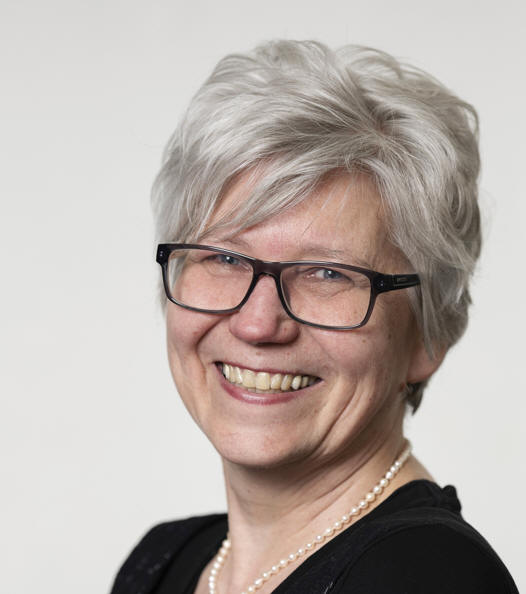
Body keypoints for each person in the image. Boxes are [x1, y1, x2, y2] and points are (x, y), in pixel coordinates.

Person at [110, 40, 518, 593]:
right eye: (225, 258)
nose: (257, 324)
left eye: (328, 273)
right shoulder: (165, 563)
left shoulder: (427, 578)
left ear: (429, 333)